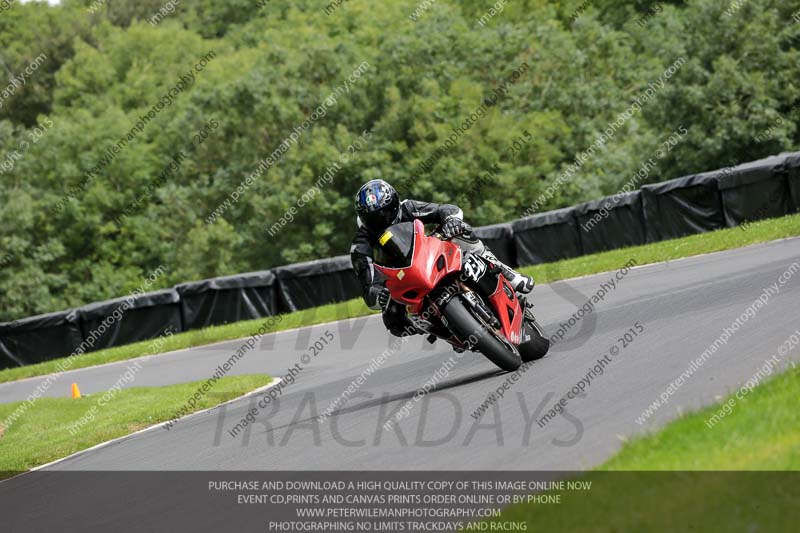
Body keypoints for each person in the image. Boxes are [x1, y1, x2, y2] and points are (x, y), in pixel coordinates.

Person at [350, 179, 534, 337]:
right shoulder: (360, 244)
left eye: (386, 212)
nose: (382, 220)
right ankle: (442, 329)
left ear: (395, 205)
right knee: (393, 321)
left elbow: (446, 209)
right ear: (364, 220)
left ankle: (508, 273)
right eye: (374, 219)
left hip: (427, 255)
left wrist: (451, 221)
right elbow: (368, 288)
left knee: (462, 233)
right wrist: (379, 295)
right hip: (399, 279)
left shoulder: (408, 207)